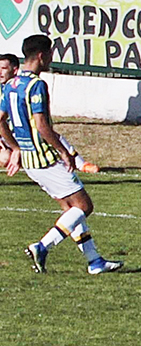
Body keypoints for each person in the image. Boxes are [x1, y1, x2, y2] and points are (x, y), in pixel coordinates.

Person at [0, 35, 123, 274]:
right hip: (45, 158)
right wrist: (64, 152)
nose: (51, 59)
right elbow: (43, 126)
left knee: (71, 210)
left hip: (29, 160)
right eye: (50, 54)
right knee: (84, 206)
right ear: (41, 56)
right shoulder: (36, 85)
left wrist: (15, 147)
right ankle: (42, 246)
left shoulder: (11, 84)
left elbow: (0, 121)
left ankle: (94, 260)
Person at [0, 53, 100, 173]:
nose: (0, 72)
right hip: (8, 136)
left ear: (15, 70)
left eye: (4, 69)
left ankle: (81, 163)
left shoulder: (21, 86)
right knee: (5, 158)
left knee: (52, 136)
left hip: (22, 134)